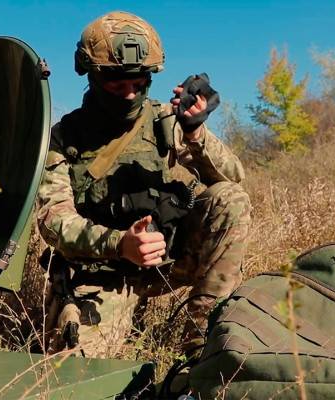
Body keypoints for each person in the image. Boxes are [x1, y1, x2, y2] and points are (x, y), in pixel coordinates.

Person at [37, 10, 251, 358]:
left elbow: (233, 178)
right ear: (92, 76)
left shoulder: (165, 120)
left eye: (139, 85)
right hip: (100, 272)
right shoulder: (64, 138)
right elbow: (54, 222)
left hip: (164, 262)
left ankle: (199, 343)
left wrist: (195, 133)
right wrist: (121, 244)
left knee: (230, 199)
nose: (129, 95)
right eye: (117, 85)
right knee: (71, 376)